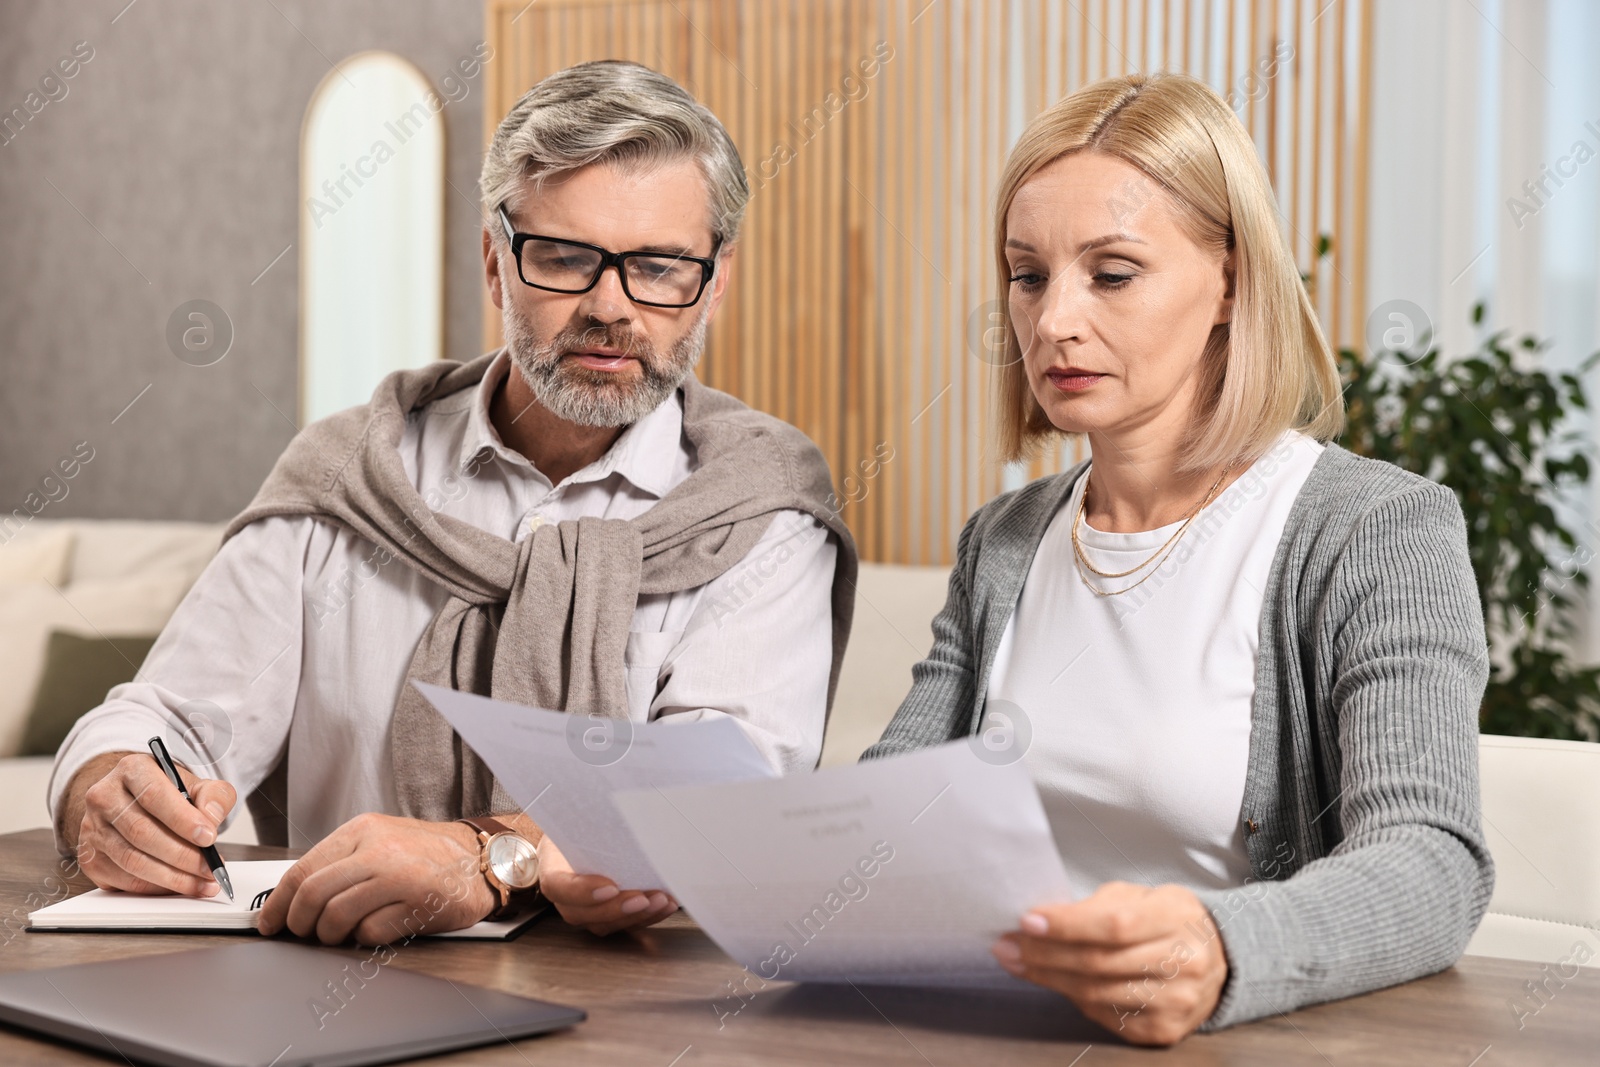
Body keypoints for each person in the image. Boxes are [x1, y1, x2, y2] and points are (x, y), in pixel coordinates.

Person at [51, 60, 857, 946]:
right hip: (319, 980)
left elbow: (718, 789)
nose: (610, 306)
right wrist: (115, 790)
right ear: (494, 260)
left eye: (660, 268)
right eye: (563, 257)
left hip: (635, 1016)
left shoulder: (762, 508)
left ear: (717, 277)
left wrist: (487, 856)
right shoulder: (348, 476)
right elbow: (163, 719)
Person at [864, 71, 1492, 1046]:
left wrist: (1218, 945)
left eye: (1111, 274)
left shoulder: (1373, 530)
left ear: (1229, 280)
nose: (1053, 320)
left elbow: (1429, 862)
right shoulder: (1005, 538)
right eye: (1027, 275)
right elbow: (892, 813)